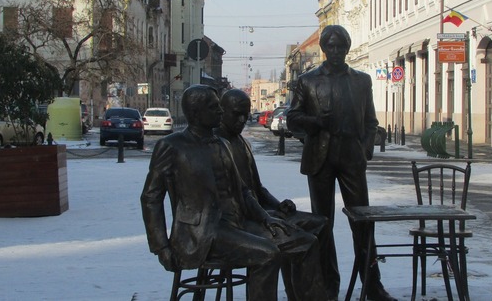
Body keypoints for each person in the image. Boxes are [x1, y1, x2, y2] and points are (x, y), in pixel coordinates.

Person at [140, 85, 289, 301]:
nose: (221, 112)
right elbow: (150, 198)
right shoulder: (171, 146)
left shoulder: (222, 144)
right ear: (196, 113)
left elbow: (243, 190)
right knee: (268, 254)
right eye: (214, 107)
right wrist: (161, 247)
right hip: (200, 235)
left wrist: (266, 218)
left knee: (294, 236)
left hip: (235, 225)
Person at [287, 25, 396, 301]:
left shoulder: (361, 81)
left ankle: (372, 284)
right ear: (324, 49)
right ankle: (326, 284)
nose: (335, 51)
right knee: (323, 223)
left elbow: (371, 122)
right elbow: (293, 118)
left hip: (351, 157)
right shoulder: (308, 81)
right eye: (331, 46)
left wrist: (365, 149)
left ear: (347, 48)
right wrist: (315, 123)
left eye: (340, 47)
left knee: (363, 222)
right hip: (320, 159)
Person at [214, 88, 328, 301]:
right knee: (303, 241)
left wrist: (278, 206)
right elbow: (236, 196)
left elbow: (257, 188)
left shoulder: (241, 143)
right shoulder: (215, 146)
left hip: (260, 210)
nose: (241, 120)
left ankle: (299, 293)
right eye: (236, 114)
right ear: (222, 111)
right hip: (240, 219)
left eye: (245, 115)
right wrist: (268, 217)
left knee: (318, 223)